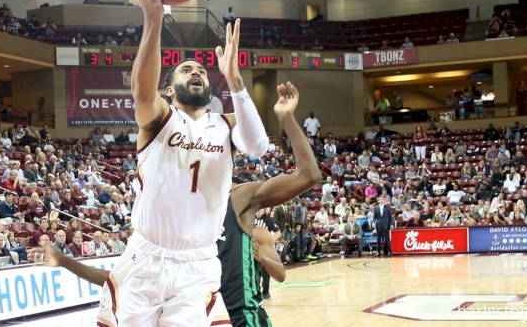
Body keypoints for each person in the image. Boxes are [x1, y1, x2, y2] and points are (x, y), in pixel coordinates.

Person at [29, 83, 320, 327]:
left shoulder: (239, 199)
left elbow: (308, 176)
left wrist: (285, 118)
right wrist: (66, 261)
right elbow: (122, 279)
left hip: (240, 317)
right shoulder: (159, 221)